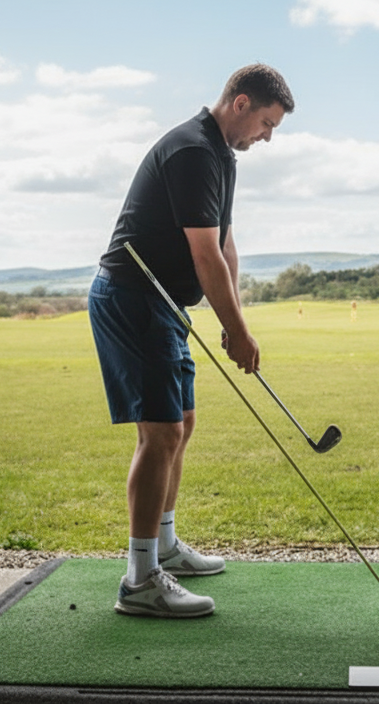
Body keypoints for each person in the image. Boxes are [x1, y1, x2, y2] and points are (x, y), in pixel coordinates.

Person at [89, 64, 294, 618]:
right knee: (160, 433)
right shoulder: (193, 151)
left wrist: (237, 323)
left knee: (183, 423)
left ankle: (165, 546)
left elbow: (225, 244)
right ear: (241, 102)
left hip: (163, 305)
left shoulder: (221, 156)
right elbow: (202, 255)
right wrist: (236, 329)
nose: (267, 137)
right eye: (267, 124)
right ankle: (139, 579)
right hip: (133, 298)